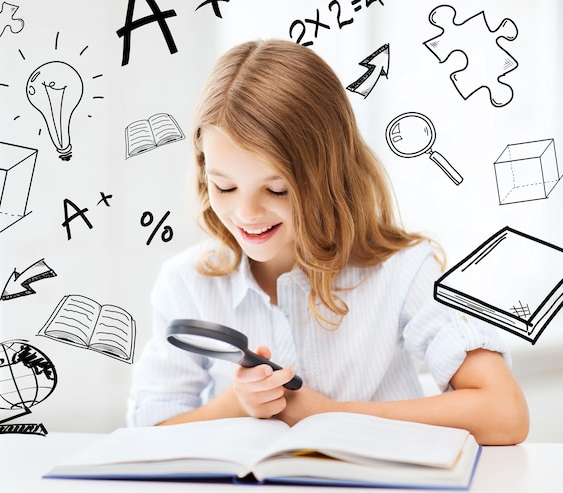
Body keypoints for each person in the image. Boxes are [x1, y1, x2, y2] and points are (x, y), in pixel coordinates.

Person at [126, 39, 529, 445]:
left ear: (329, 176)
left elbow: (505, 414)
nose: (247, 214)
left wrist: (331, 416)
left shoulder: (404, 270)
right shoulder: (186, 283)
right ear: (203, 171)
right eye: (225, 186)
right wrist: (240, 402)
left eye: (278, 190)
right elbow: (144, 437)